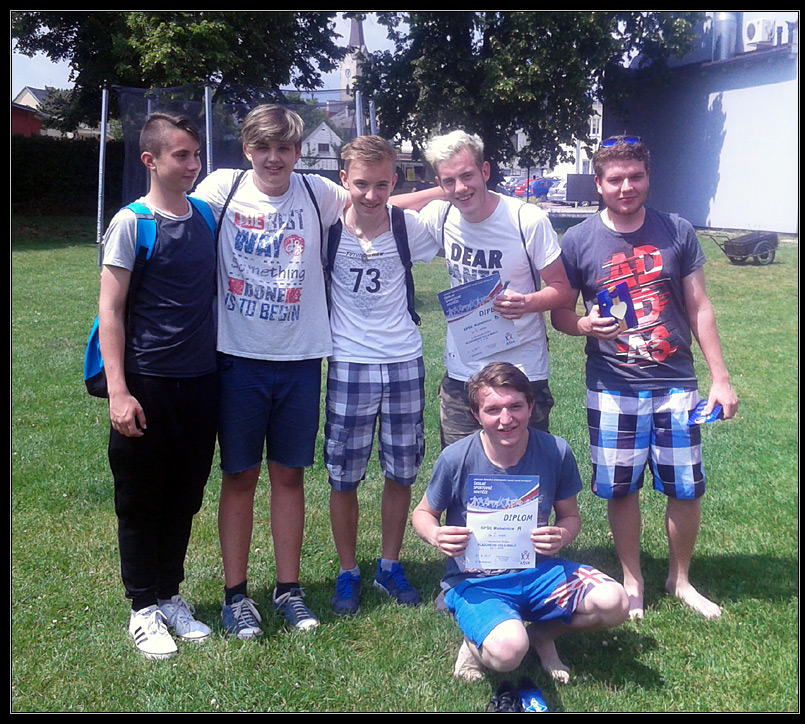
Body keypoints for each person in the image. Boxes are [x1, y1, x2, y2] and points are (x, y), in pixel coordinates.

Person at [550, 135, 739, 620]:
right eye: (615, 179)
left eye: (635, 176)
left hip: (676, 383)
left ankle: (680, 579)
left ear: (648, 177)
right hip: (612, 384)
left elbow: (699, 307)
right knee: (621, 488)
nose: (626, 187)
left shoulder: (676, 230)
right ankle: (632, 578)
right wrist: (584, 325)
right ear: (598, 183)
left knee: (684, 486)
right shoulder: (578, 240)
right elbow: (561, 315)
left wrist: (720, 378)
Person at [193, 104, 349, 637]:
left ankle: (289, 589)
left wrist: (450, 192)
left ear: (299, 152)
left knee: (289, 476)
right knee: (239, 477)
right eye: (263, 147)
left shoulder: (316, 192)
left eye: (284, 148)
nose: (274, 158)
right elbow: (171, 213)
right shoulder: (223, 188)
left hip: (301, 358)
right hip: (237, 358)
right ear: (247, 149)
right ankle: (235, 596)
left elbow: (377, 199)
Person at [412, 362, 629, 683]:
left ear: (530, 406)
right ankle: (474, 645)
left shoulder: (555, 451)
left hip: (540, 571)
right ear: (476, 414)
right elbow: (422, 513)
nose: (506, 419)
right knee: (508, 652)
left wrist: (561, 535)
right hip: (476, 580)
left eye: (515, 406)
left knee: (615, 602)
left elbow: (570, 516)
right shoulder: (456, 457)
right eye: (492, 409)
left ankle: (542, 634)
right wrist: (436, 535)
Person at [98, 112, 218, 659]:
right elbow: (111, 310)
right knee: (141, 500)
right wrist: (119, 392)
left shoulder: (206, 216)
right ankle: (142, 608)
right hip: (147, 383)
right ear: (150, 160)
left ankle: (170, 595)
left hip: (201, 382)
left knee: (184, 497)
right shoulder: (132, 223)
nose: (193, 165)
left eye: (196, 154)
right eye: (181, 155)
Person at [324, 136, 441, 615]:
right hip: (349, 362)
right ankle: (348, 570)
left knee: (401, 470)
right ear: (343, 181)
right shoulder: (327, 224)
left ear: (394, 183)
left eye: (381, 185)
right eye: (360, 184)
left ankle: (389, 565)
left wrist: (440, 190)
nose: (370, 195)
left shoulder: (408, 227)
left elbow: (460, 216)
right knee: (343, 475)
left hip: (403, 361)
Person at [400, 130, 572, 448]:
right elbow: (378, 209)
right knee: (461, 466)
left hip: (521, 371)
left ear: (485, 171)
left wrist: (528, 302)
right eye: (449, 181)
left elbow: (562, 289)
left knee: (524, 470)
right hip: (463, 372)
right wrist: (439, 193)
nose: (461, 188)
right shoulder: (442, 215)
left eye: (467, 176)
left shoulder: (526, 219)